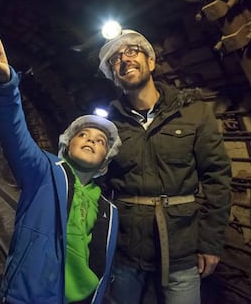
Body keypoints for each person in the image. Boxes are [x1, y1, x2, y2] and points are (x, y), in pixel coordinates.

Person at [0, 15, 122, 304]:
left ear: (104, 161)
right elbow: (15, 134)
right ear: (66, 144)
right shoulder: (44, 172)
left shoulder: (109, 211)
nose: (91, 139)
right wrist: (4, 87)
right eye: (84, 135)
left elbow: (102, 265)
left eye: (100, 141)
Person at [97, 30, 232, 304]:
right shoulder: (108, 126)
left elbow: (218, 178)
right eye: (115, 59)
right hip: (125, 250)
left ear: (151, 62)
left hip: (181, 248)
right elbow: (96, 184)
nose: (124, 59)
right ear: (113, 75)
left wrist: (210, 243)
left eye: (132, 51)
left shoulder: (194, 113)